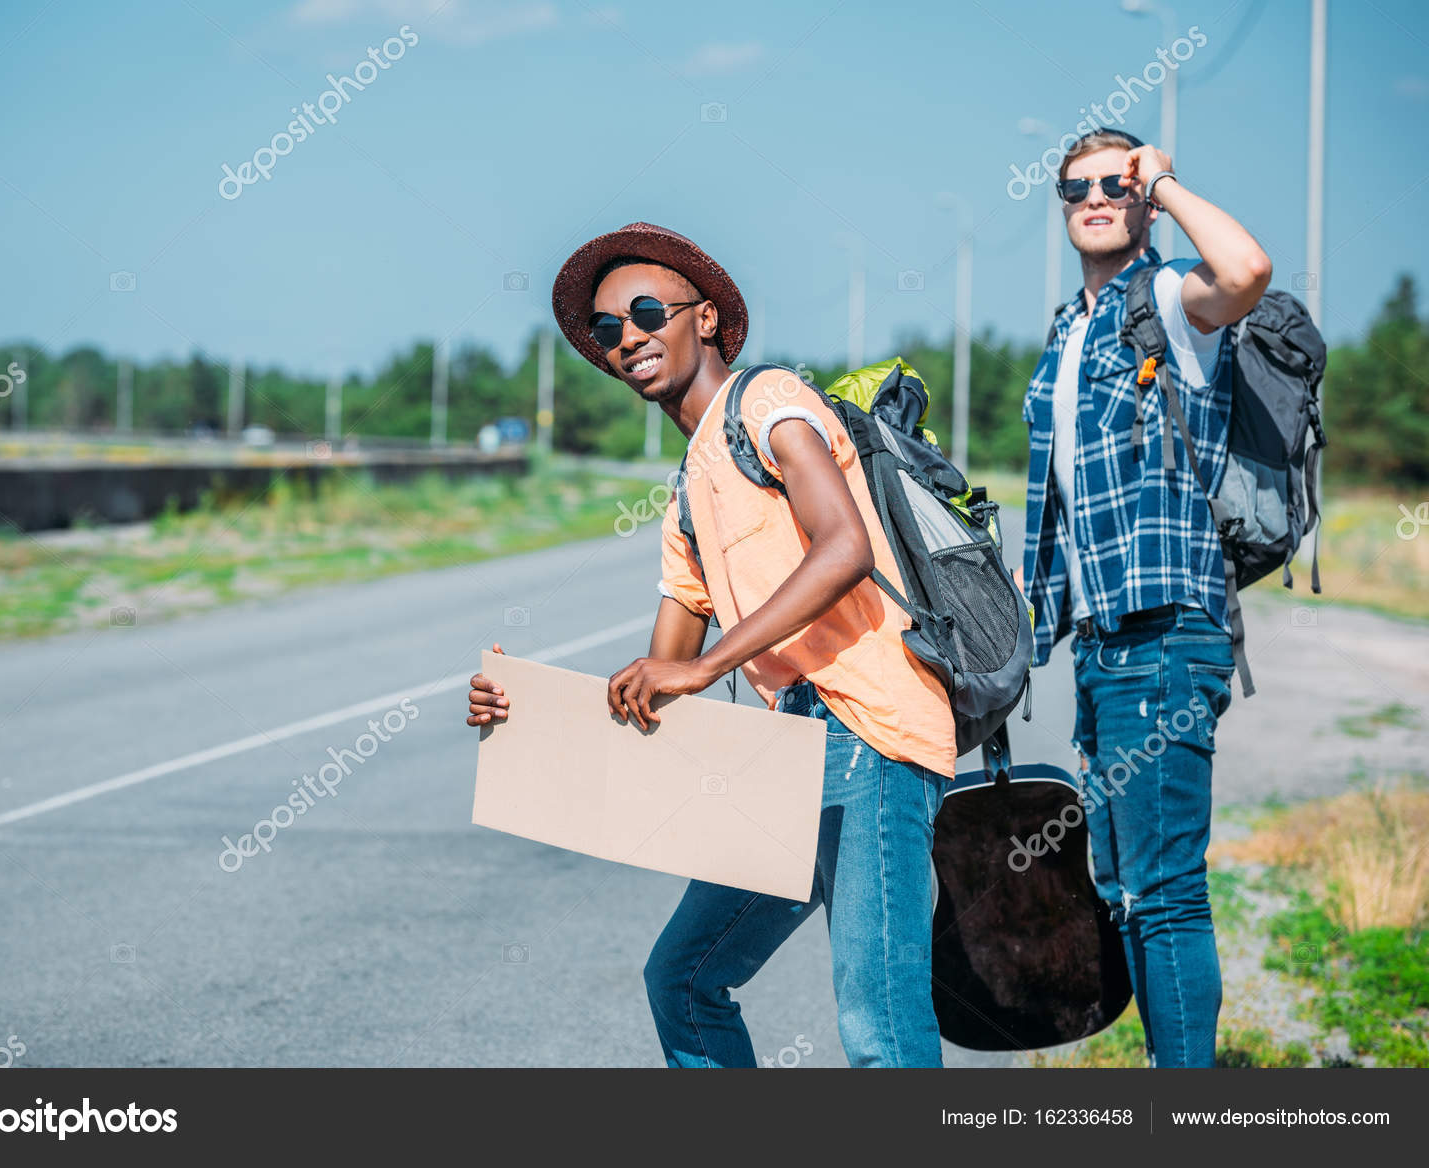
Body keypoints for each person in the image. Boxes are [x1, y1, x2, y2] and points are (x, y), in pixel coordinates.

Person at [466, 222, 956, 1067]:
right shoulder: (687, 494)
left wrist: (707, 665)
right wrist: (524, 715)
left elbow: (844, 546)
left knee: (881, 1027)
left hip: (873, 733)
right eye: (609, 329)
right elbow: (657, 688)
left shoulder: (769, 402)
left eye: (648, 312)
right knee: (685, 979)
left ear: (704, 320)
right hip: (793, 755)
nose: (629, 338)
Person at [1019, 130, 1272, 1067]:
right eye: (1077, 184)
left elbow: (1246, 268)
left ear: (1143, 199)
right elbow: (1060, 509)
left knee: (1164, 893)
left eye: (1116, 183)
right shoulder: (1066, 331)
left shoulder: (1166, 300)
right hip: (1103, 642)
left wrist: (1164, 180)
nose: (1097, 195)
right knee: (1125, 887)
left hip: (1167, 631)